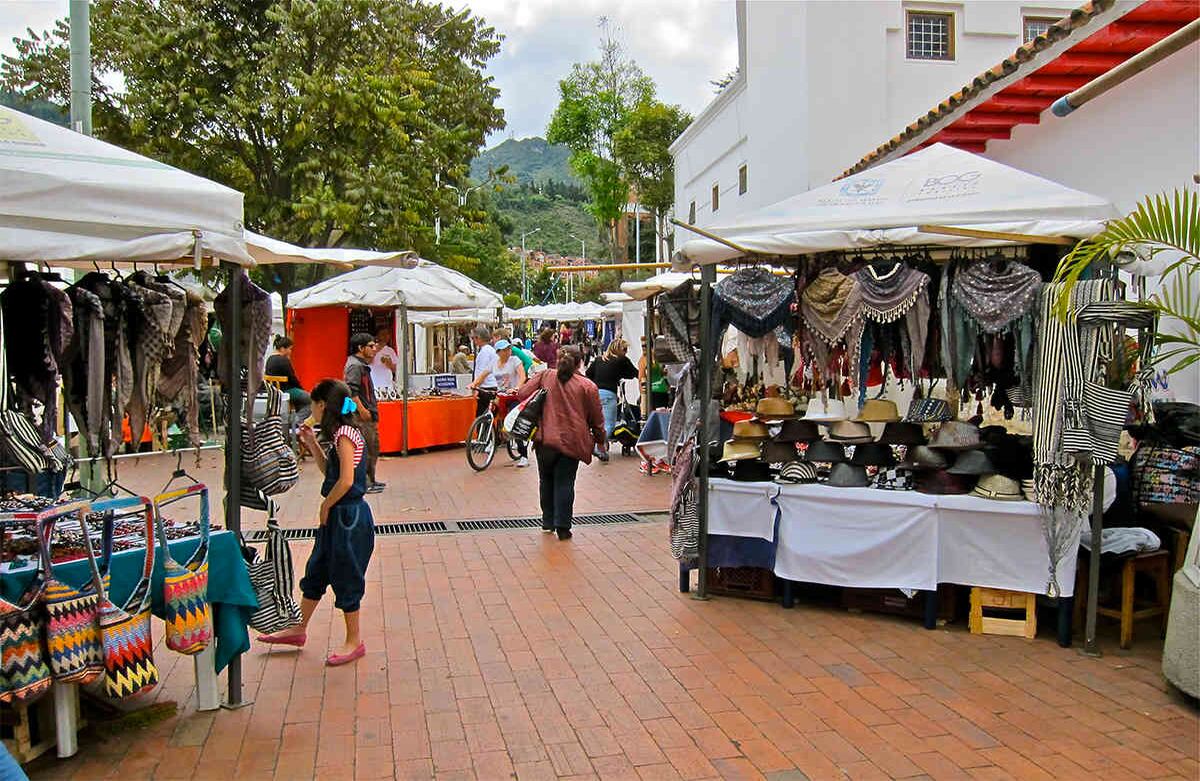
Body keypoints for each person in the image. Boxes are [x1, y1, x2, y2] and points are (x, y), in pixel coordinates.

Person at [258, 379, 375, 666]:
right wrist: (311, 442)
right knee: (318, 569)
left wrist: (326, 504)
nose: (311, 409)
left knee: (346, 575)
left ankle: (354, 640)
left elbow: (347, 480)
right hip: (339, 514)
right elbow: (329, 471)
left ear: (323, 405)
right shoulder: (338, 435)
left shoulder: (347, 435)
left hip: (348, 517)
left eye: (313, 404)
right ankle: (299, 628)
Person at [515, 345, 606, 540]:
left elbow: (522, 393)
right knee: (565, 483)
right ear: (580, 362)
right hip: (572, 442)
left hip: (545, 439)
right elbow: (597, 418)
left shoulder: (545, 376)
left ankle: (547, 521)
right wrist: (600, 439)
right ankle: (563, 526)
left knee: (545, 480)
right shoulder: (587, 386)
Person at [344, 333, 384, 493]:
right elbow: (351, 391)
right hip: (361, 416)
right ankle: (365, 482)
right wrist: (362, 410)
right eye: (371, 346)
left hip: (367, 412)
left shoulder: (360, 365)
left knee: (373, 447)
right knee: (366, 448)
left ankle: (371, 479)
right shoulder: (355, 366)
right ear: (361, 348)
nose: (375, 349)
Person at [587, 338, 638, 451]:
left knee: (598, 424)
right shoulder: (622, 360)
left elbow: (588, 374)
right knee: (609, 424)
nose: (626, 352)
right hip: (609, 394)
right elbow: (634, 373)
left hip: (595, 394)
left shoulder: (599, 359)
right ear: (619, 349)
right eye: (624, 349)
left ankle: (600, 445)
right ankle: (597, 447)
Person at [492, 339, 530, 466]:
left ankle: (523, 454)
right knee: (491, 413)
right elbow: (484, 373)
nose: (508, 351)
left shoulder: (515, 360)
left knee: (514, 422)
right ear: (498, 352)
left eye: (509, 349)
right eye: (504, 350)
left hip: (514, 396)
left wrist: (518, 387)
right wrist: (474, 384)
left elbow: (522, 376)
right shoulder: (494, 363)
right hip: (501, 396)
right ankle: (492, 440)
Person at [264, 335, 310, 420]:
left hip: (274, 392)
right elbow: (293, 379)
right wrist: (302, 389)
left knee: (301, 400)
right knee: (309, 399)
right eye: (289, 349)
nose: (290, 351)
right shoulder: (284, 361)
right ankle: (295, 421)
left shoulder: (269, 359)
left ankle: (293, 419)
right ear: (282, 348)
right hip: (285, 391)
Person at [467, 325, 498, 418]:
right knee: (489, 416)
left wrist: (475, 387)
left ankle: (485, 431)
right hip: (493, 386)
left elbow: (482, 372)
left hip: (486, 387)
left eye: (473, 338)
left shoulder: (484, 352)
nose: (473, 340)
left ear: (479, 338)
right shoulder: (491, 350)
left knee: (481, 416)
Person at [371, 327, 399, 392]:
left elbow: (395, 370)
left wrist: (390, 364)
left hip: (388, 385)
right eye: (383, 334)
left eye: (387, 334)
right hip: (375, 385)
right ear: (377, 336)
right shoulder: (372, 349)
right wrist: (376, 350)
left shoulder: (390, 350)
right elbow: (367, 362)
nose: (386, 336)